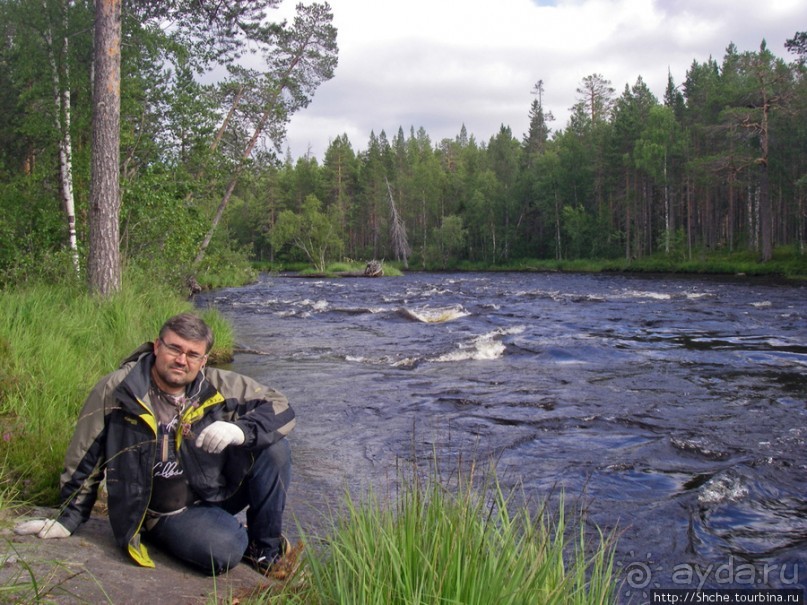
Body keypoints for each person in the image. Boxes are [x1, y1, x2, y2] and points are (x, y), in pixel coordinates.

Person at [15, 313, 295, 576]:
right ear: (157, 346)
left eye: (192, 354)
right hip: (164, 510)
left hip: (212, 489)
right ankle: (216, 535)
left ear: (204, 360)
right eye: (175, 349)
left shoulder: (219, 384)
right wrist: (68, 518)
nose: (181, 360)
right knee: (224, 550)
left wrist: (240, 430)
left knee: (274, 450)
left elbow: (281, 407)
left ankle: (264, 550)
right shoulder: (118, 390)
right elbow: (85, 454)